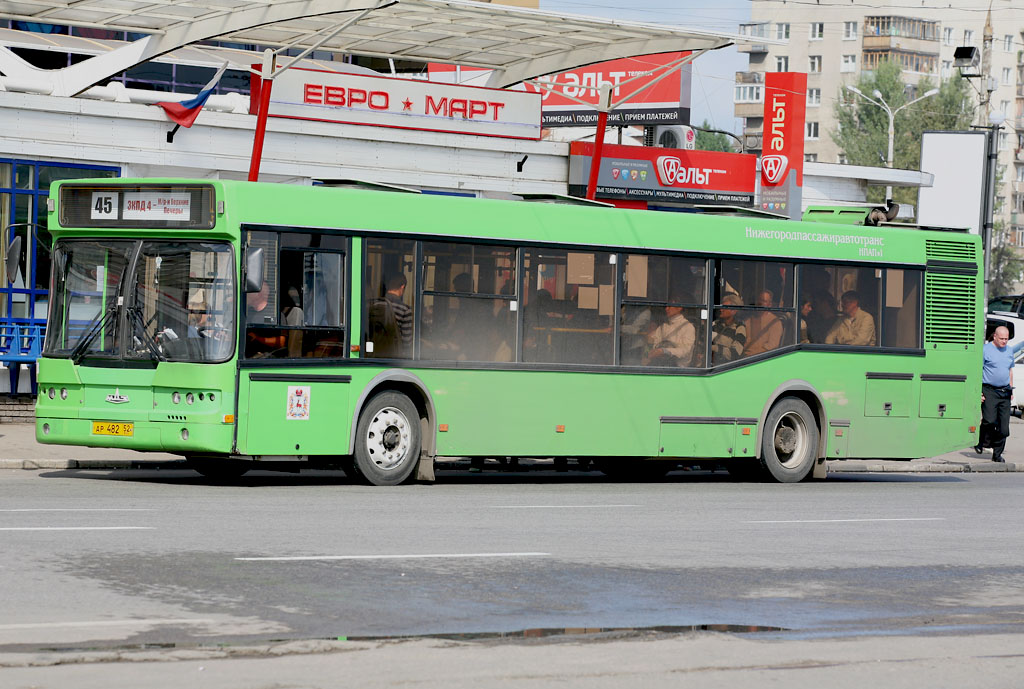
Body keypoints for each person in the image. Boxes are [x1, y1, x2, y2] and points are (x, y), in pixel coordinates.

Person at [976, 325, 1014, 462]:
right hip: (989, 390)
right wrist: (978, 392)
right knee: (989, 420)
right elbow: (977, 371)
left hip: (1005, 391)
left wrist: (1011, 387)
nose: (1004, 341)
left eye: (1007, 339)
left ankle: (997, 454)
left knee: (1004, 429)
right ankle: (981, 441)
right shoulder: (985, 350)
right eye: (1002, 338)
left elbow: (1009, 370)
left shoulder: (1009, 351)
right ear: (995, 336)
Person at [644, 294, 695, 367]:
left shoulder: (688, 327)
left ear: (679, 307)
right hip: (660, 364)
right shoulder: (663, 326)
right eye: (666, 306)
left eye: (670, 306)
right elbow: (655, 343)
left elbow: (685, 351)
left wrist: (665, 351)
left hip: (678, 368)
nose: (666, 309)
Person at [245, 280, 285, 357]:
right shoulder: (246, 313)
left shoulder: (275, 313)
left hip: (266, 358)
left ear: (258, 294)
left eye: (250, 291)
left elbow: (281, 342)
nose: (247, 294)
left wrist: (257, 338)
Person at [744, 290, 782, 355]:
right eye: (759, 300)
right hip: (743, 357)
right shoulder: (748, 320)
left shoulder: (775, 322)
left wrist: (752, 355)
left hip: (762, 359)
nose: (760, 303)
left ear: (769, 305)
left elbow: (772, 346)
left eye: (764, 301)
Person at [711, 293, 746, 363]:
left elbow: (734, 354)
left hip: (726, 367)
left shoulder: (740, 328)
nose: (721, 310)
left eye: (725, 307)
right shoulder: (715, 324)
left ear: (734, 311)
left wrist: (713, 348)